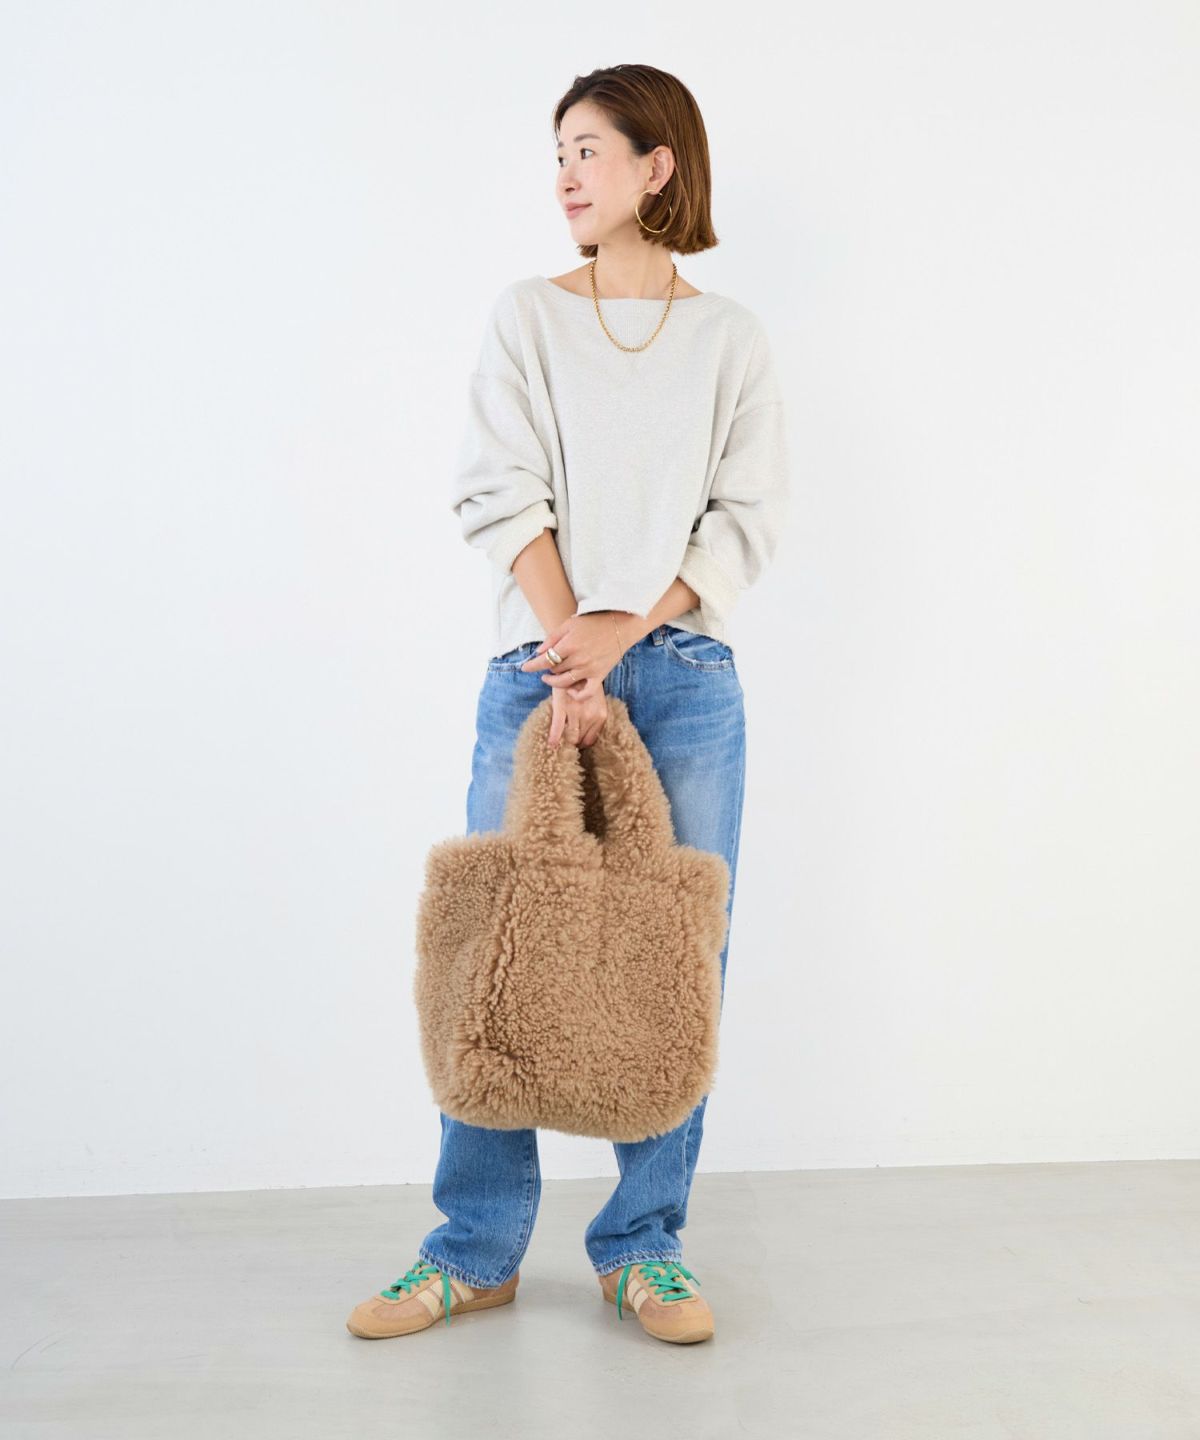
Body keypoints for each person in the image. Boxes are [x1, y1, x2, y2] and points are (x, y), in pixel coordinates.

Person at [347, 63, 789, 1346]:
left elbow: (747, 520)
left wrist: (621, 631)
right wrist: (573, 645)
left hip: (684, 674)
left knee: (676, 955)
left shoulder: (731, 338)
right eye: (558, 154)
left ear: (659, 166)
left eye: (588, 150)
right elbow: (496, 487)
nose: (564, 177)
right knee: (498, 937)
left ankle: (646, 1245)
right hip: (537, 667)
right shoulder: (528, 317)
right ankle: (473, 1248)